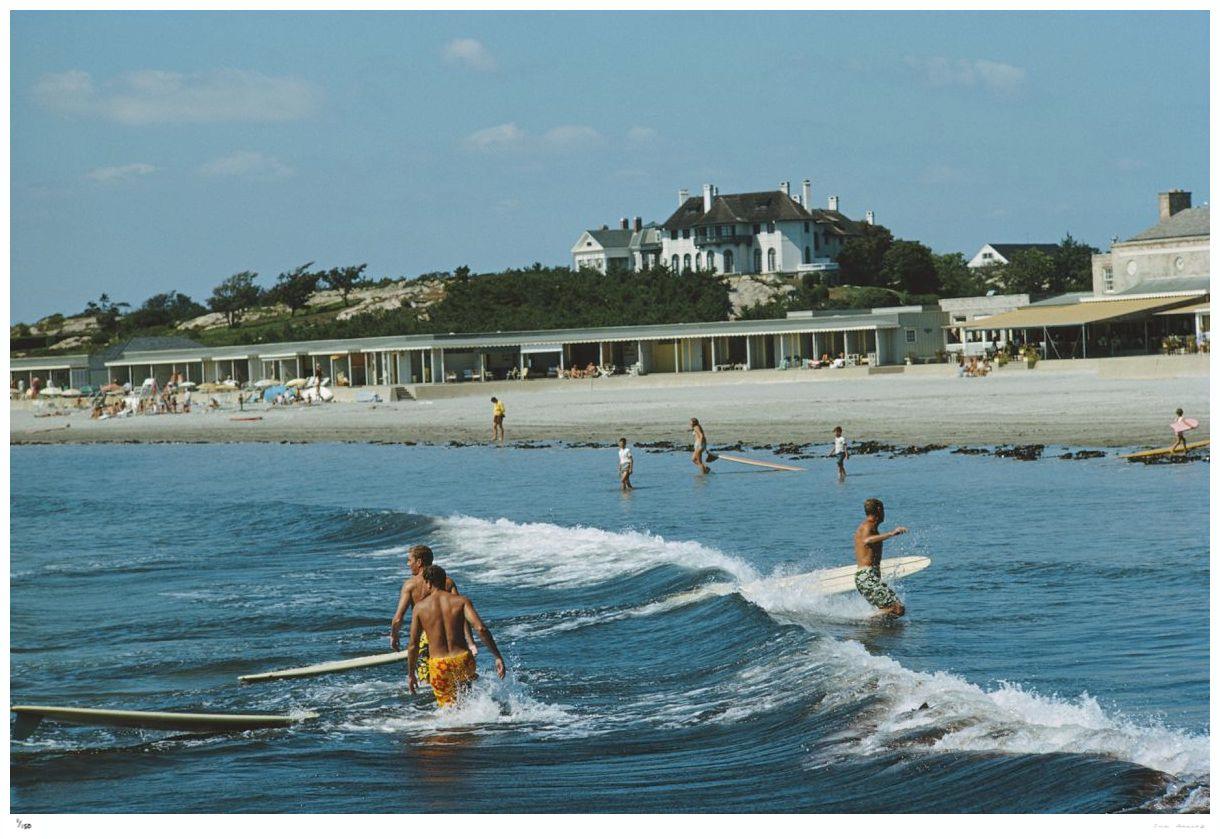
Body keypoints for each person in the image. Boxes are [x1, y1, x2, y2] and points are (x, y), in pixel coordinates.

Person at [408, 565, 506, 708]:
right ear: (444, 581)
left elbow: (413, 644)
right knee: (467, 703)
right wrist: (497, 656)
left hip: (440, 665)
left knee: (450, 712)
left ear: (428, 583)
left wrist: (411, 674)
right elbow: (481, 628)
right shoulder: (461, 601)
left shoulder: (420, 608)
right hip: (463, 660)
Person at [390, 545, 476, 687]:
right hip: (452, 637)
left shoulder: (410, 585)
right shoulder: (447, 582)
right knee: (461, 681)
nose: (408, 564)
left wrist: (394, 636)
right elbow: (460, 612)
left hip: (427, 637)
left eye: (409, 560)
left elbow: (398, 618)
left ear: (419, 562)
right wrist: (470, 642)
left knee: (428, 683)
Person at [854, 498, 908, 618]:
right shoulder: (867, 526)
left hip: (868, 577)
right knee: (897, 608)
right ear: (879, 510)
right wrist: (891, 533)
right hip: (866, 577)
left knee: (895, 612)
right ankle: (863, 620)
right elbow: (866, 540)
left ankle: (875, 629)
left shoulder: (870, 527)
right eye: (884, 510)